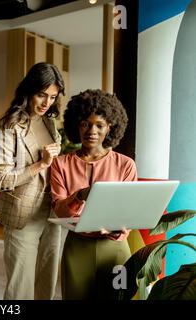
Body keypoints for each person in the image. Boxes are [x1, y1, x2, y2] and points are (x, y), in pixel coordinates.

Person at [50, 89, 137, 300]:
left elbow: (131, 211)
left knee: (118, 299)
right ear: (76, 125)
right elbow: (59, 210)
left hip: (116, 248)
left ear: (109, 128)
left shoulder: (125, 165)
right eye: (85, 124)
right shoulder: (61, 164)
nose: (92, 130)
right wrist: (80, 195)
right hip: (77, 247)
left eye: (99, 125)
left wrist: (122, 229)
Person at [0, 62, 65, 300]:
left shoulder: (50, 123)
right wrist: (39, 165)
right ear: (28, 91)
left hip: (52, 216)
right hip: (23, 216)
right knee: (20, 289)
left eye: (52, 97)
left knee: (47, 284)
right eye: (41, 95)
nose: (46, 103)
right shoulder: (8, 126)